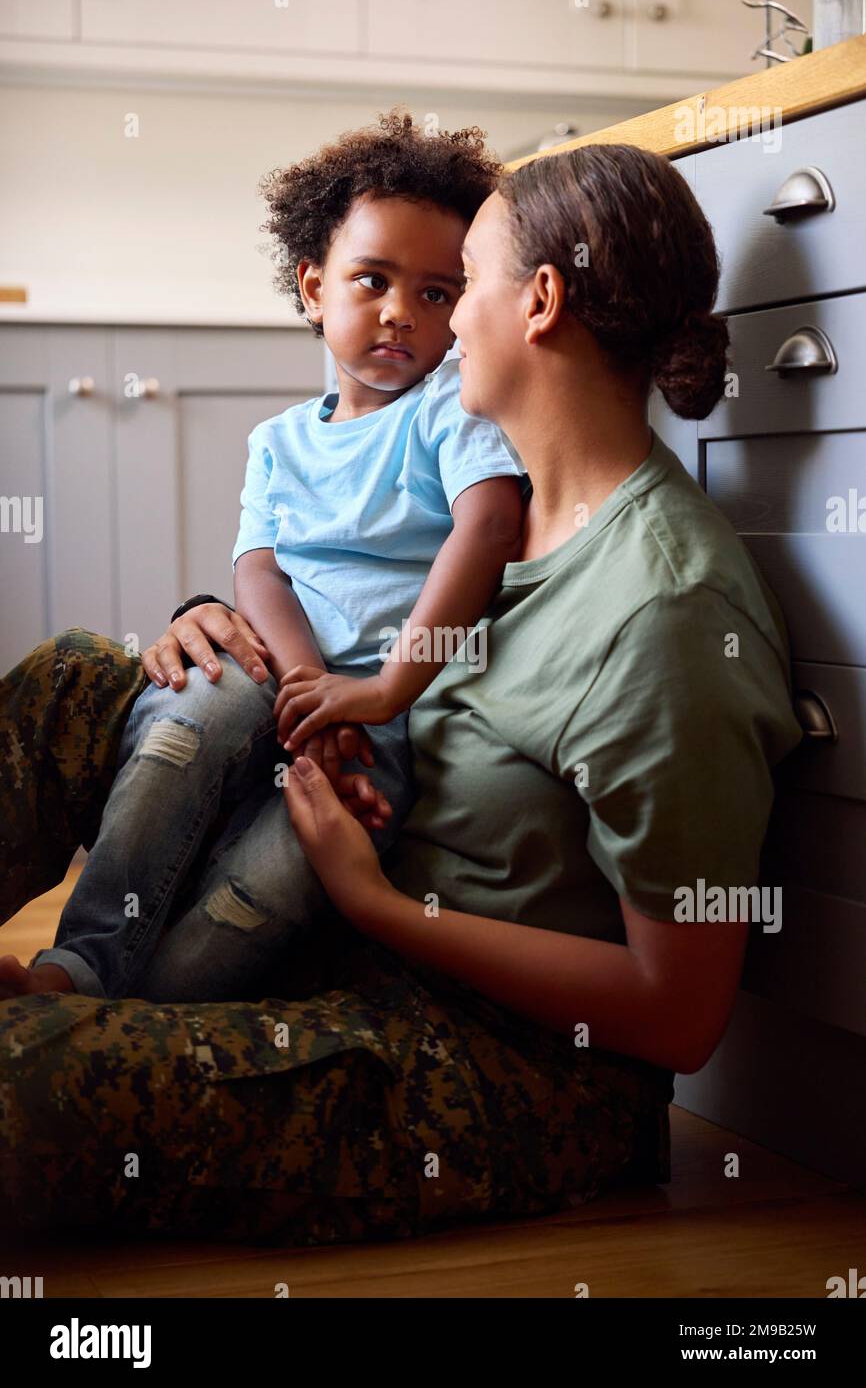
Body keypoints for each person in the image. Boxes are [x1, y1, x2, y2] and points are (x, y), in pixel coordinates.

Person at [0, 141, 803, 1246]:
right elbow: (330, 587)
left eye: (457, 282)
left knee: (21, 1077)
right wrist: (219, 624)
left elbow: (680, 1012)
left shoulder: (663, 614)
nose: (433, 320)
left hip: (486, 1060)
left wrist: (383, 907)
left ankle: (101, 1001)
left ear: (537, 302)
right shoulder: (489, 497)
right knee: (75, 678)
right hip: (352, 913)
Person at [0, 111, 525, 1003]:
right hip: (284, 685)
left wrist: (380, 691)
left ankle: (125, 1024)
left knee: (276, 877)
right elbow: (260, 570)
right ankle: (80, 962)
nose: (402, 311)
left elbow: (488, 526)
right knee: (188, 721)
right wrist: (311, 685)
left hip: (382, 726)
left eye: (438, 293)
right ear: (315, 288)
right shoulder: (278, 441)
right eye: (373, 281)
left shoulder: (452, 413)